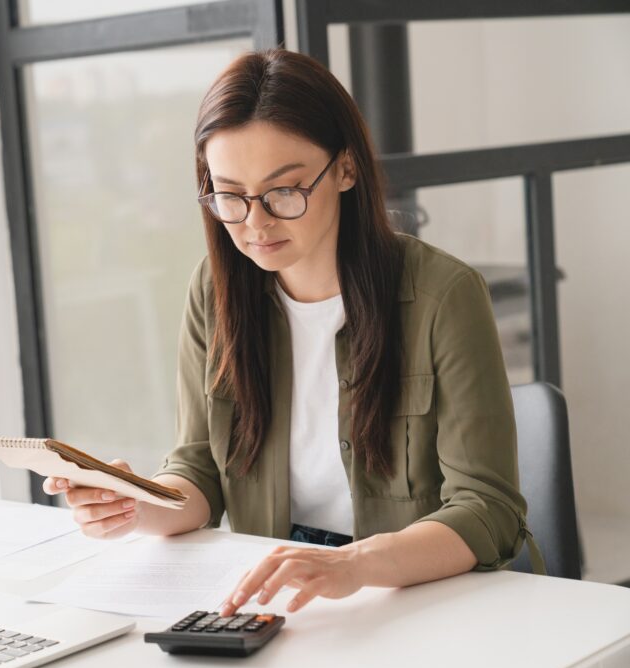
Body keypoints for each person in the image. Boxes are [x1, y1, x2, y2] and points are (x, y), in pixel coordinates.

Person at [43, 48, 544, 617]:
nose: (255, 222)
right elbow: (198, 470)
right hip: (277, 598)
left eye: (284, 191)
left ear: (347, 168)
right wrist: (137, 505)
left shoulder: (443, 296)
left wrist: (353, 564)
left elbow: (488, 509)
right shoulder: (215, 291)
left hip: (415, 599)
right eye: (229, 195)